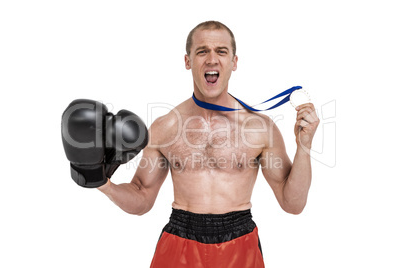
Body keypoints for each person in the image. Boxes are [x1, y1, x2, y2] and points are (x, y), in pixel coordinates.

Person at [72, 21, 319, 267]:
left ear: (234, 62)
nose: (212, 59)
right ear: (188, 61)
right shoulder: (165, 127)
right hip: (179, 241)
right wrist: (102, 183)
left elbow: (293, 204)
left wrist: (304, 146)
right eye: (202, 51)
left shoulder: (260, 128)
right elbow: (142, 198)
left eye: (221, 51)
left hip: (240, 242)